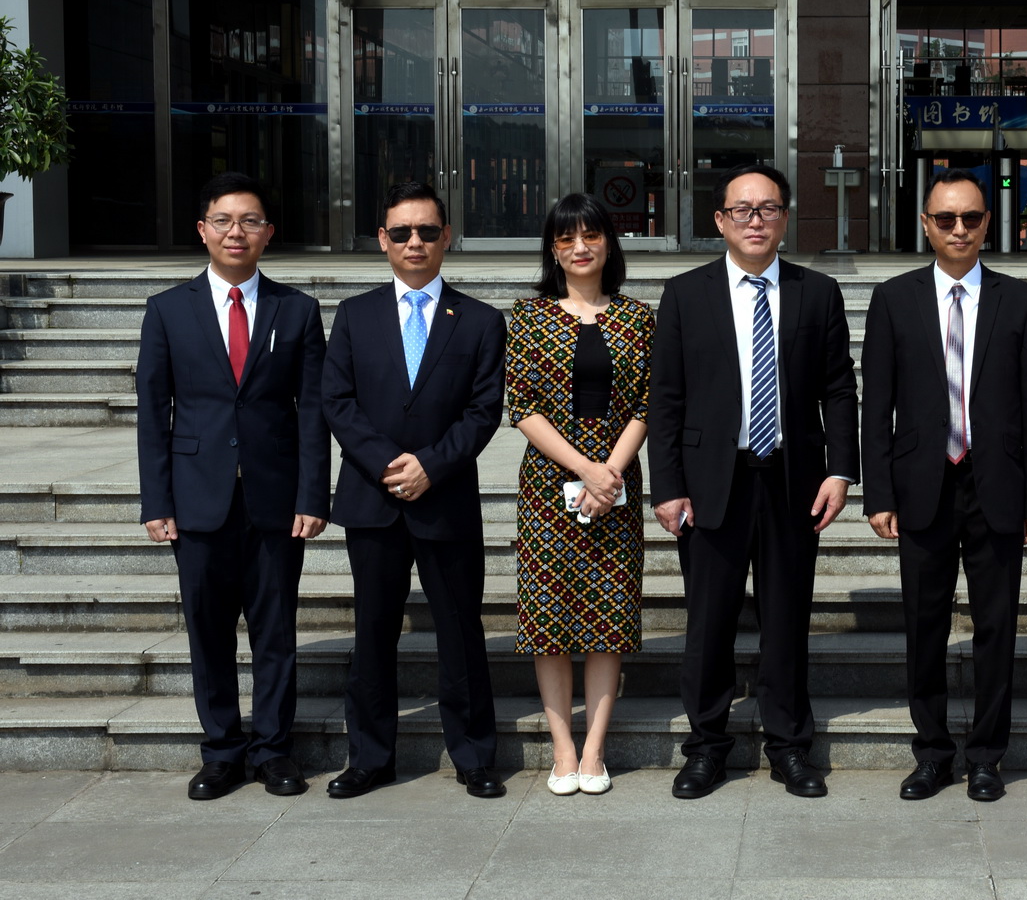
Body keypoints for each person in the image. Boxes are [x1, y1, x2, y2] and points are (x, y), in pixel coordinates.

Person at [648, 163, 859, 800]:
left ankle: (789, 747)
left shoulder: (817, 292)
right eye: (742, 210)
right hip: (712, 482)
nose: (755, 220)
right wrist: (667, 486)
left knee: (787, 622)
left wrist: (840, 470)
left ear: (784, 218)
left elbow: (838, 390)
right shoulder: (686, 293)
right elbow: (666, 398)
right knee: (708, 623)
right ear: (720, 220)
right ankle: (706, 747)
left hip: (793, 480)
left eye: (767, 208)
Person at [861, 169, 1027, 803]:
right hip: (921, 485)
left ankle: (988, 757)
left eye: (971, 217)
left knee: (997, 625)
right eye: (946, 219)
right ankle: (932, 754)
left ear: (987, 223)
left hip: (996, 484)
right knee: (924, 625)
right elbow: (876, 406)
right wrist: (878, 494)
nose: (959, 229)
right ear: (926, 224)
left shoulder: (1019, 300)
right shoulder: (893, 298)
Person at [136, 172, 329, 800]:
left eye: (249, 221)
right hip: (197, 500)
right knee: (209, 633)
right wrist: (157, 501)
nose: (236, 232)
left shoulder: (297, 310)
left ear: (268, 233)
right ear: (203, 230)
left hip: (275, 500)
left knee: (276, 633)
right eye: (223, 220)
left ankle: (273, 750)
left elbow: (312, 412)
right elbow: (153, 412)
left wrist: (312, 496)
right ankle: (221, 751)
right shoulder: (167, 309)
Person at [321, 181, 508, 800]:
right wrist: (386, 465)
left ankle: (474, 756)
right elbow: (337, 402)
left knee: (460, 632)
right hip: (372, 501)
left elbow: (483, 411)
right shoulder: (355, 315)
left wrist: (430, 465)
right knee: (373, 634)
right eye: (401, 232)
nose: (415, 242)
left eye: (427, 231)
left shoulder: (480, 321)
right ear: (383, 239)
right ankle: (369, 759)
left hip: (445, 498)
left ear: (446, 237)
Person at [506, 194, 655, 797]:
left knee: (609, 618)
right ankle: (562, 749)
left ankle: (594, 750)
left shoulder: (637, 318)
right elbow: (522, 406)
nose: (580, 247)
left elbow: (647, 403)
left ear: (608, 244)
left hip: (617, 482)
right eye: (567, 238)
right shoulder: (528, 317)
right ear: (553, 250)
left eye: (591, 235)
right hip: (549, 485)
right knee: (549, 618)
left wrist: (609, 472)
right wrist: (585, 470)